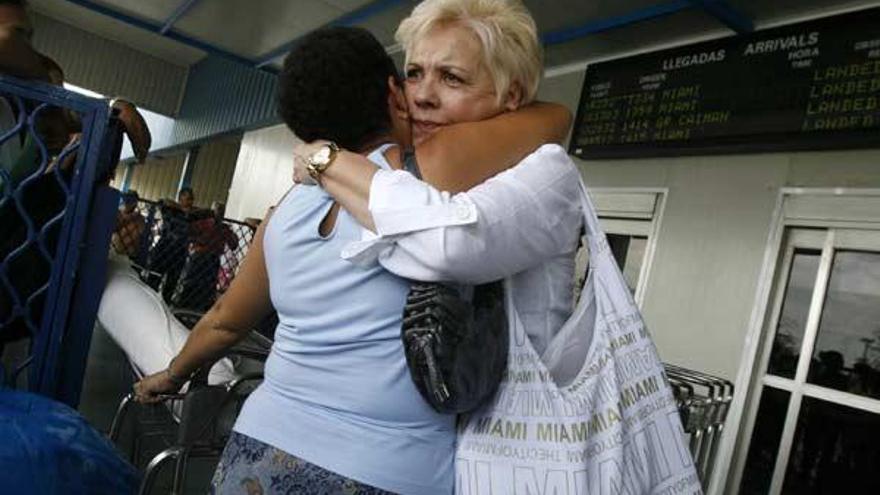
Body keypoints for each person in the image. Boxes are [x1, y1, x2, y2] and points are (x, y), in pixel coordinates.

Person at [134, 19, 571, 495]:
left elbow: (223, 321)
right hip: (383, 470)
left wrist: (171, 373)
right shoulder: (434, 167)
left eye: (449, 78)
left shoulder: (284, 211)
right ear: (393, 92)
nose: (422, 95)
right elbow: (553, 116)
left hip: (258, 450)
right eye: (413, 76)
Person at [175, 200, 237, 310]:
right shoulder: (208, 224)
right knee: (194, 284)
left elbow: (234, 244)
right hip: (203, 256)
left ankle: (192, 308)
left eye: (221, 211)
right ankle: (186, 307)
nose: (220, 214)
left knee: (204, 287)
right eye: (218, 211)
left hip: (209, 258)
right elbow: (189, 232)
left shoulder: (222, 228)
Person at [146, 187, 197, 304]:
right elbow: (162, 201)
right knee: (153, 281)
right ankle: (146, 305)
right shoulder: (171, 209)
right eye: (188, 199)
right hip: (164, 250)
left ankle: (164, 309)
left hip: (179, 253)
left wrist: (187, 212)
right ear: (180, 199)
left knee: (170, 286)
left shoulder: (191, 216)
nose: (190, 202)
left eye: (192, 199)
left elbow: (206, 212)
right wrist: (180, 208)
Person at [110, 189, 145, 260]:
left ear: (135, 203)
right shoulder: (120, 214)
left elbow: (141, 234)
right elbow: (113, 228)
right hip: (115, 252)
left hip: (129, 256)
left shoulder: (139, 219)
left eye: (129, 201)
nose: (126, 203)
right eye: (126, 200)